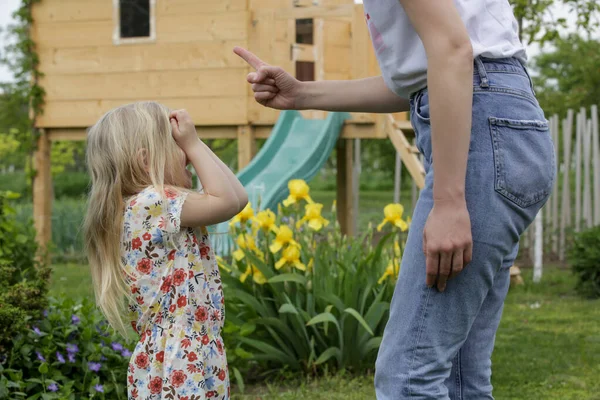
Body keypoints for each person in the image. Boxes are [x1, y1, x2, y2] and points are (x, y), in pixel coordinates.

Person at [233, 0, 556, 397]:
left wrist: (451, 200)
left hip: (482, 132)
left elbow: (453, 51)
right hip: (502, 124)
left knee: (408, 376)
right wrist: (302, 94)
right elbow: (419, 77)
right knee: (459, 379)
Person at [83, 102, 247, 399]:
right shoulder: (151, 203)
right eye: (175, 145)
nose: (186, 152)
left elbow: (238, 198)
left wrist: (195, 144)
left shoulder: (154, 206)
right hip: (179, 358)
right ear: (146, 161)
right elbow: (228, 202)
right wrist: (194, 143)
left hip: (186, 350)